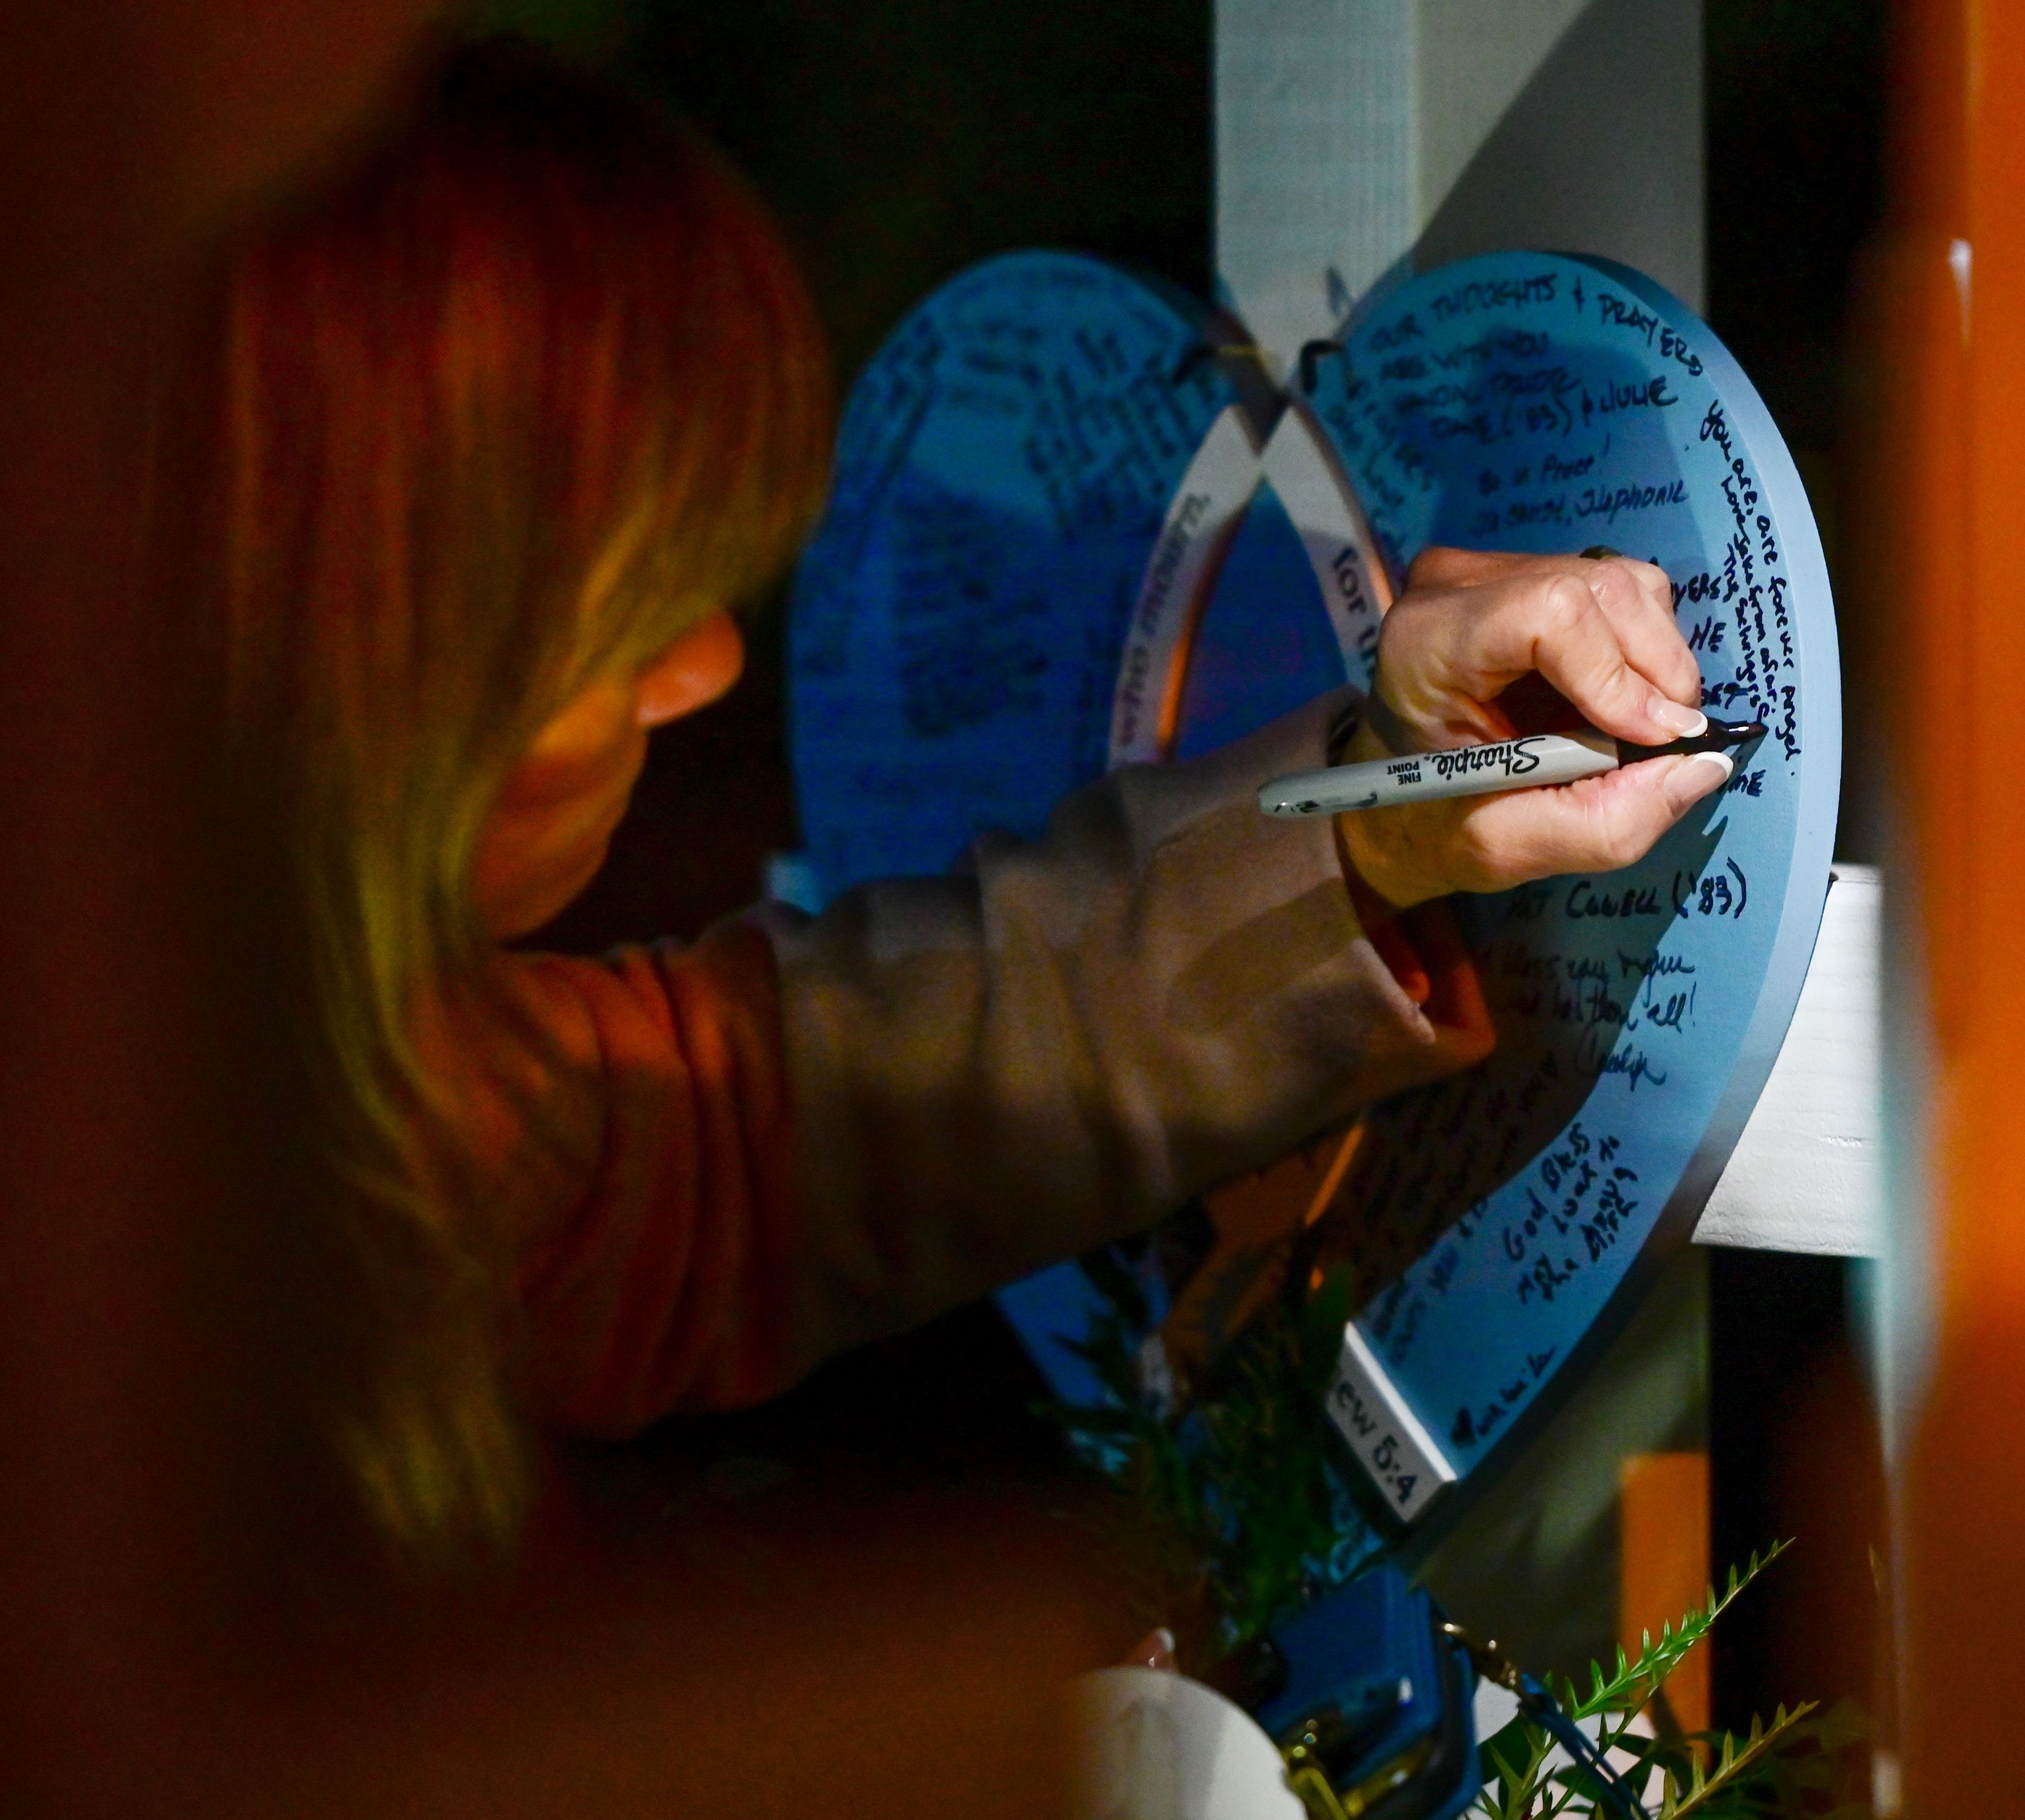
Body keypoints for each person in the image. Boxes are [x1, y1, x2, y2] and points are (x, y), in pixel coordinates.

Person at [202, 39, 1733, 1562]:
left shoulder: (337, 1091)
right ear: (365, 666)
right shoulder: (125, 1264)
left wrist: (1379, 823)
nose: (706, 668)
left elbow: (786, 1121)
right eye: (620, 615)